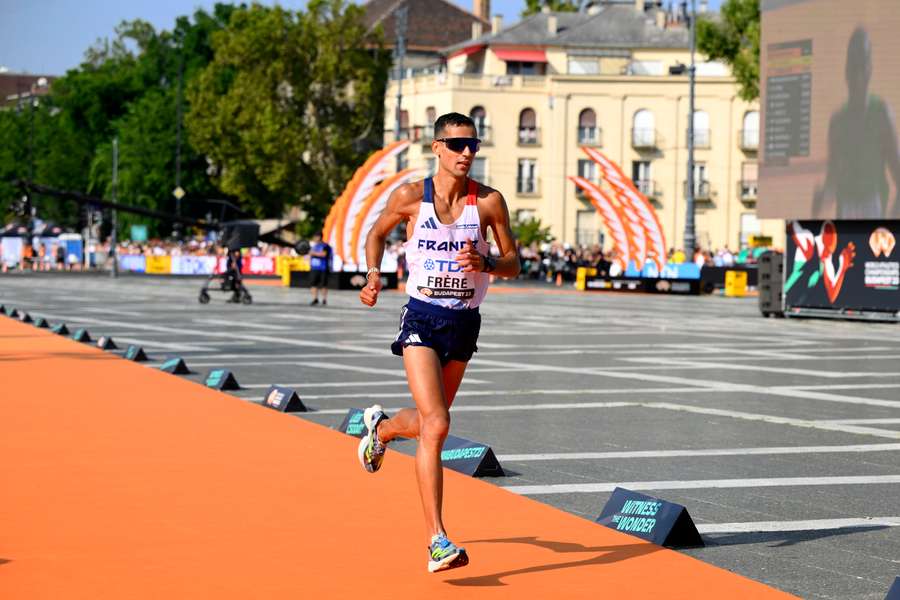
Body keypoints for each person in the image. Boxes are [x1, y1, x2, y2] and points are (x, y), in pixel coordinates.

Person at [357, 112, 519, 573]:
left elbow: (513, 264)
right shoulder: (410, 197)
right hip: (422, 317)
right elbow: (376, 233)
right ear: (437, 148)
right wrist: (373, 276)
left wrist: (486, 260)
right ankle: (437, 540)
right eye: (457, 144)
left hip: (464, 322)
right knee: (438, 421)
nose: (467, 152)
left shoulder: (488, 203)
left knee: (431, 425)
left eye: (473, 144)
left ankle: (382, 429)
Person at [814, 27, 900, 219]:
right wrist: (821, 199)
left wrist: (893, 221)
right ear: (846, 70)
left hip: (874, 208)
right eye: (854, 64)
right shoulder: (837, 121)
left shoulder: (881, 113)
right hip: (846, 209)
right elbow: (832, 178)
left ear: (870, 68)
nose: (859, 73)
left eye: (863, 63)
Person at [308, 232, 332, 306]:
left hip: (323, 268)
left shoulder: (325, 246)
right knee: (313, 284)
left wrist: (313, 253)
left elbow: (324, 254)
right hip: (314, 268)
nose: (314, 238)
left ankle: (324, 299)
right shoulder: (314, 246)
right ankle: (315, 299)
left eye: (315, 237)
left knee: (323, 284)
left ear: (319, 237)